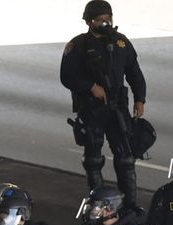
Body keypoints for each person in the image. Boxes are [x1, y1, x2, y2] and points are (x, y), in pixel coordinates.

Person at [59, 1, 146, 206]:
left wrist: (140, 99)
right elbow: (66, 76)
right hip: (91, 108)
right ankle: (99, 202)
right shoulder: (78, 45)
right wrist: (90, 87)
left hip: (118, 107)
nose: (106, 23)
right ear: (90, 22)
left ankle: (129, 205)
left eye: (109, 18)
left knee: (125, 157)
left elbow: (134, 72)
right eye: (101, 19)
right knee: (93, 160)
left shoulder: (121, 43)